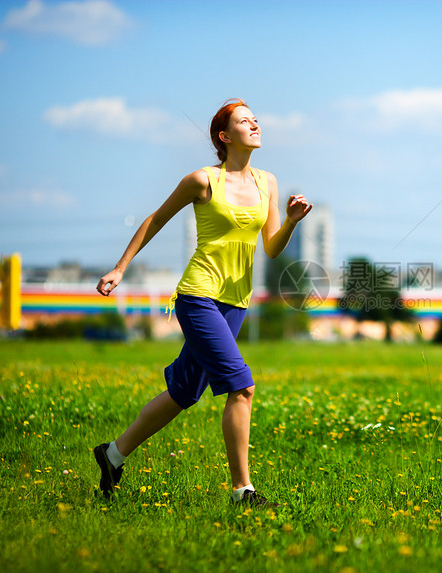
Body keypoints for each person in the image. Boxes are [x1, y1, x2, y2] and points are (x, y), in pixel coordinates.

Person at [93, 98, 312, 507]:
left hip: (235, 301)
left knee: (183, 392)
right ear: (225, 136)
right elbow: (156, 219)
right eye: (244, 121)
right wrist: (120, 268)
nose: (255, 124)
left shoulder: (268, 182)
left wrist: (292, 222)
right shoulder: (203, 180)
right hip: (199, 296)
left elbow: (271, 248)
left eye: (256, 119)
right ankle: (242, 491)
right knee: (241, 388)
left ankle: (112, 455)